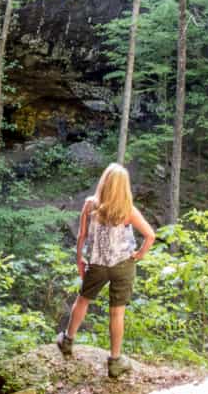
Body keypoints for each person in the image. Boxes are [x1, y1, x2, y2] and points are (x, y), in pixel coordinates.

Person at [56, 162, 155, 378]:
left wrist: (79, 258)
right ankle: (115, 361)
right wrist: (138, 255)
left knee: (82, 300)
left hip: (97, 265)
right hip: (123, 265)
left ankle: (68, 340)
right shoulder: (128, 211)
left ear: (104, 182)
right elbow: (150, 235)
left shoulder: (90, 205)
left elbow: (82, 235)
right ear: (124, 187)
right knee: (117, 312)